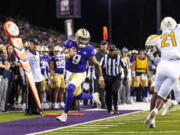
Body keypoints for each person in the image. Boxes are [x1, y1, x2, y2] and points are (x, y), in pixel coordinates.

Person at [56, 28, 105, 122]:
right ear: (77, 37)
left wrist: (101, 77)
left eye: (86, 39)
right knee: (77, 95)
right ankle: (93, 97)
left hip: (80, 73)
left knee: (70, 88)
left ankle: (64, 114)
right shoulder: (70, 43)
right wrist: (68, 55)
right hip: (68, 72)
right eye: (82, 38)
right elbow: (57, 57)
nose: (84, 41)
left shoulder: (90, 49)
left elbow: (96, 64)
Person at [145, 17, 180, 128]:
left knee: (156, 92)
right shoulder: (178, 31)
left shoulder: (159, 39)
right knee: (175, 95)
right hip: (175, 65)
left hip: (162, 65)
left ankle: (152, 117)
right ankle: (172, 102)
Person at [101, 44, 127, 114]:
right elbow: (100, 67)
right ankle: (109, 108)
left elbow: (125, 68)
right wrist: (102, 77)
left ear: (115, 51)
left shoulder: (119, 58)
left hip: (117, 77)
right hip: (107, 77)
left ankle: (115, 105)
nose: (111, 52)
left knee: (115, 91)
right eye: (110, 51)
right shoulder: (104, 58)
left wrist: (125, 78)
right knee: (108, 93)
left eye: (113, 51)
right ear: (108, 51)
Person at [26, 38, 43, 115]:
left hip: (38, 76)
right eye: (34, 44)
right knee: (30, 94)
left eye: (36, 44)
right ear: (30, 44)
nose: (35, 45)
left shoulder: (38, 53)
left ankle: (35, 108)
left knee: (38, 93)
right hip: (31, 76)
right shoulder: (26, 53)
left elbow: (38, 65)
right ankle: (29, 109)